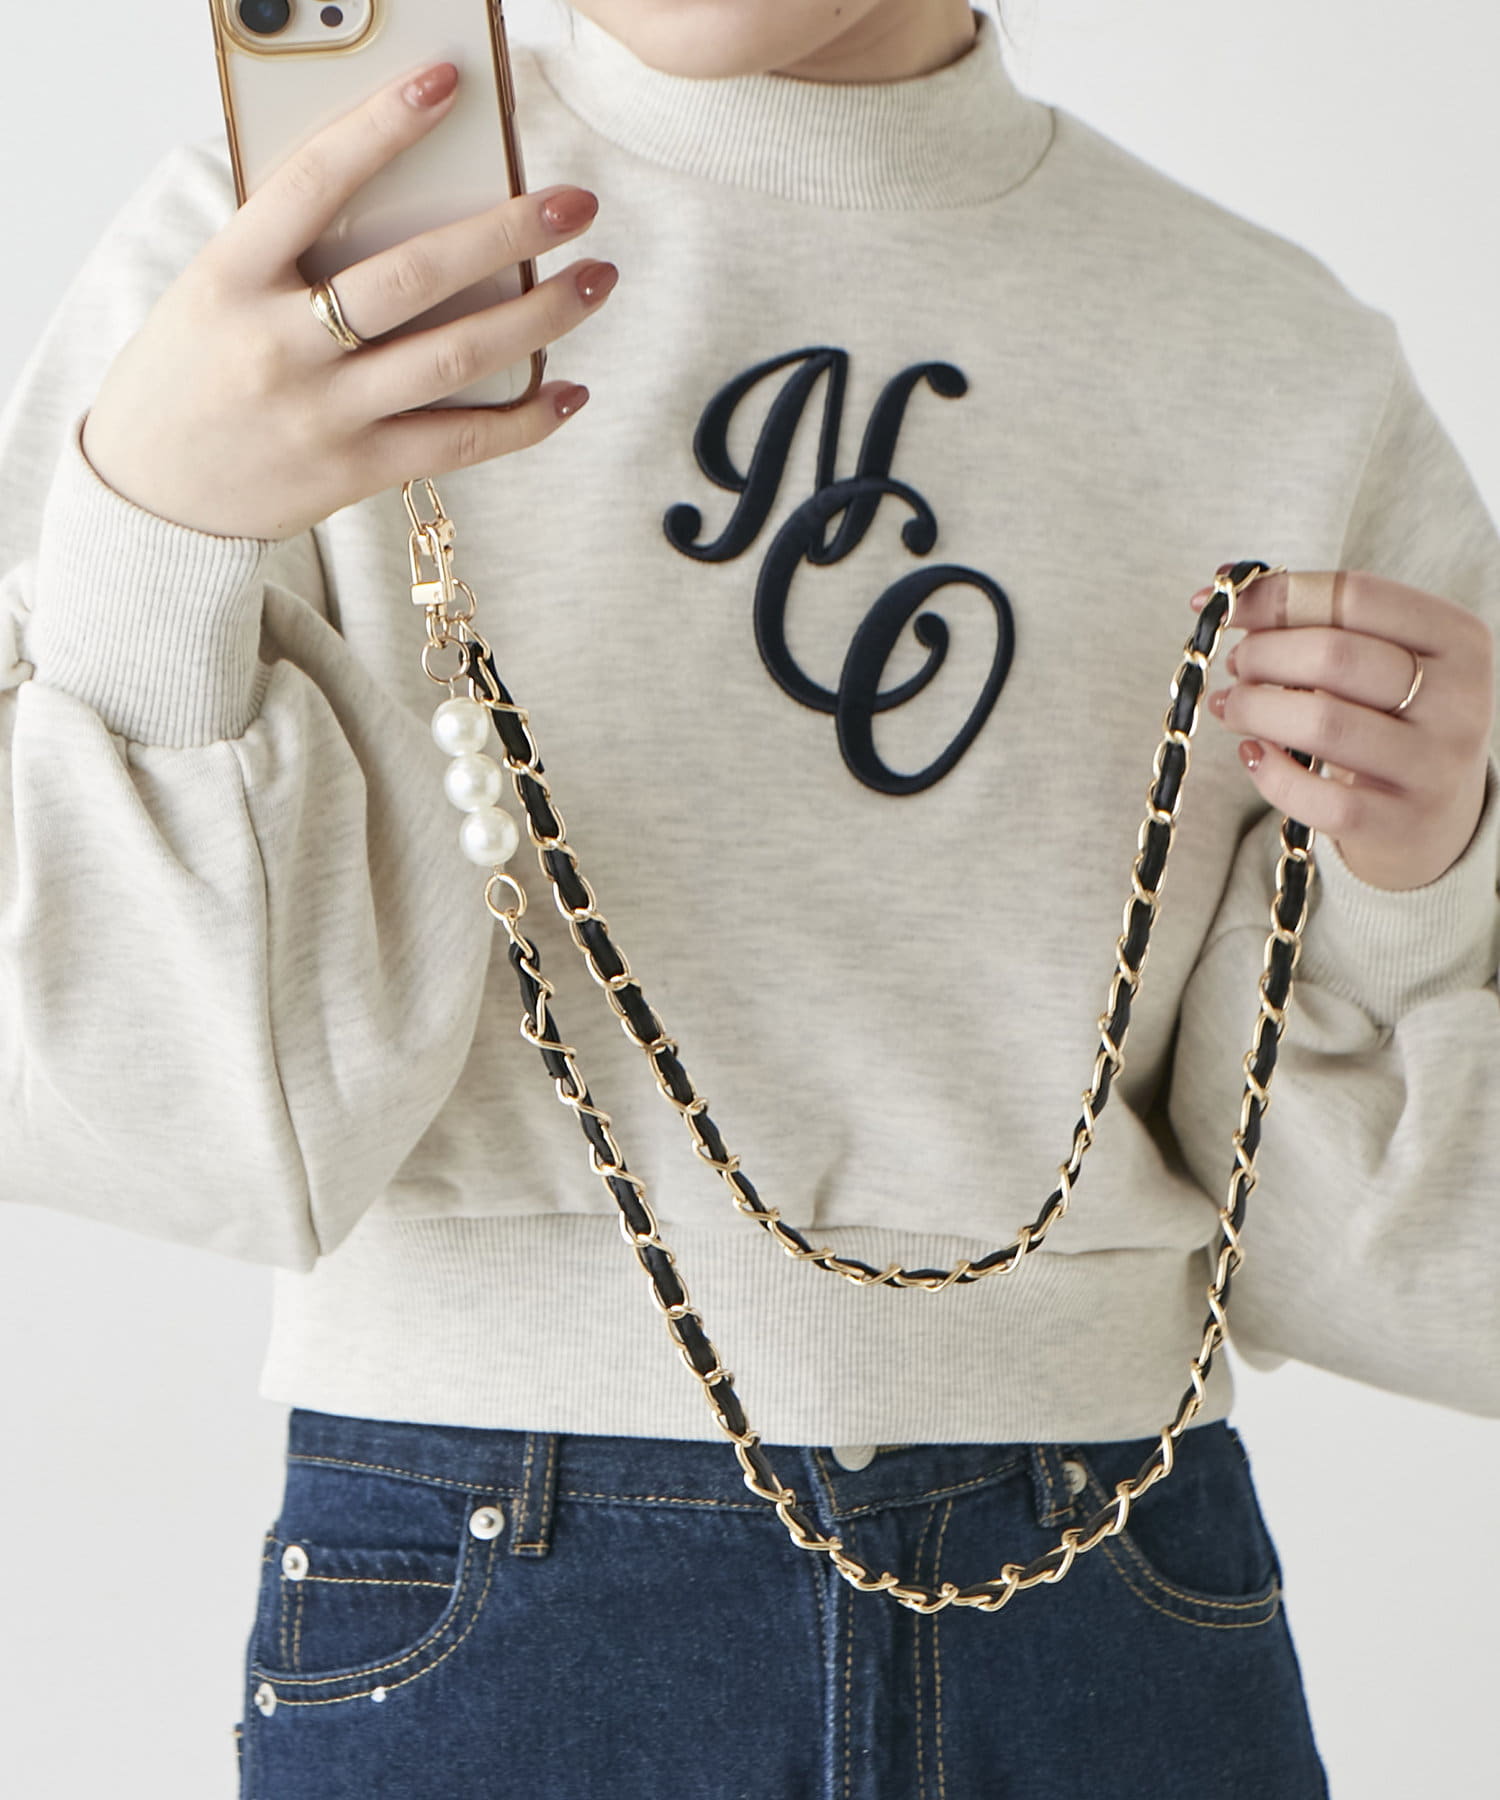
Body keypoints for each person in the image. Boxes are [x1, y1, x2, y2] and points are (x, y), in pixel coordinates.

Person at [2, 2, 1496, 1794]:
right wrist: (156, 535)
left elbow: (1402, 1274)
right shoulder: (288, 272)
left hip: (1107, 1582)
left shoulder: (1282, 361)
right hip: (491, 1564)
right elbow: (150, 1108)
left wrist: (1419, 872)